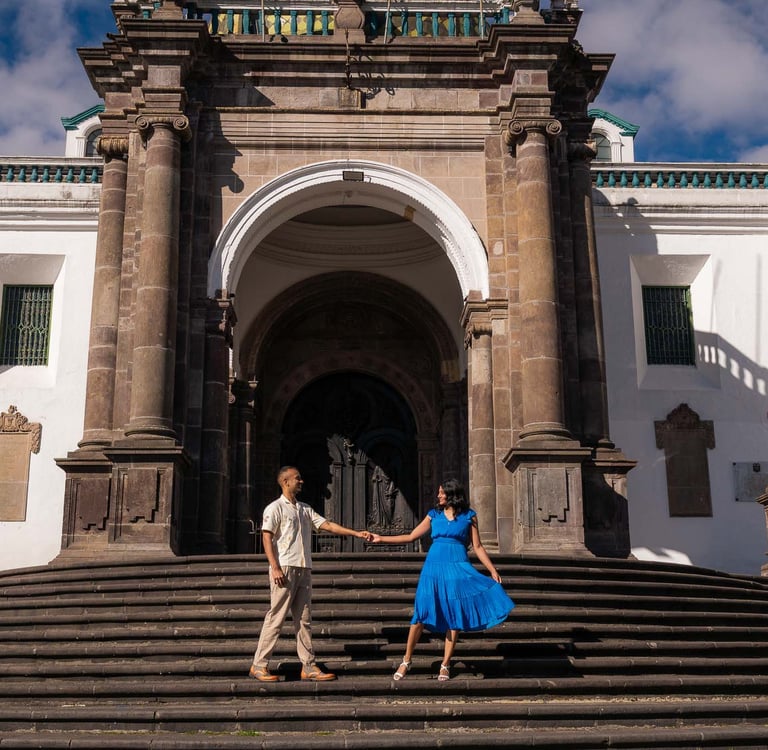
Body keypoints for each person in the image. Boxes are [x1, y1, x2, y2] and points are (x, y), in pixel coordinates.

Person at [371, 479, 514, 681]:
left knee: (454, 616)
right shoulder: (434, 515)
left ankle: (445, 664)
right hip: (433, 569)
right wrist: (381, 539)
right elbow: (412, 536)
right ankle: (406, 660)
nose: (438, 496)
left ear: (451, 494)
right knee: (421, 613)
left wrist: (492, 570)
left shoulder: (469, 516)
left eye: (441, 493)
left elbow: (478, 546)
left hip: (458, 568)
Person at [249, 465, 373, 682]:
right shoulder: (275, 508)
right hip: (285, 568)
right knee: (276, 617)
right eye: (297, 478)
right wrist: (275, 567)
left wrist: (355, 533)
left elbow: (327, 525)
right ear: (286, 482)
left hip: (303, 567)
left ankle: (308, 665)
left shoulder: (304, 509)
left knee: (304, 619)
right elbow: (266, 537)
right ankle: (259, 665)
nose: (301, 481)